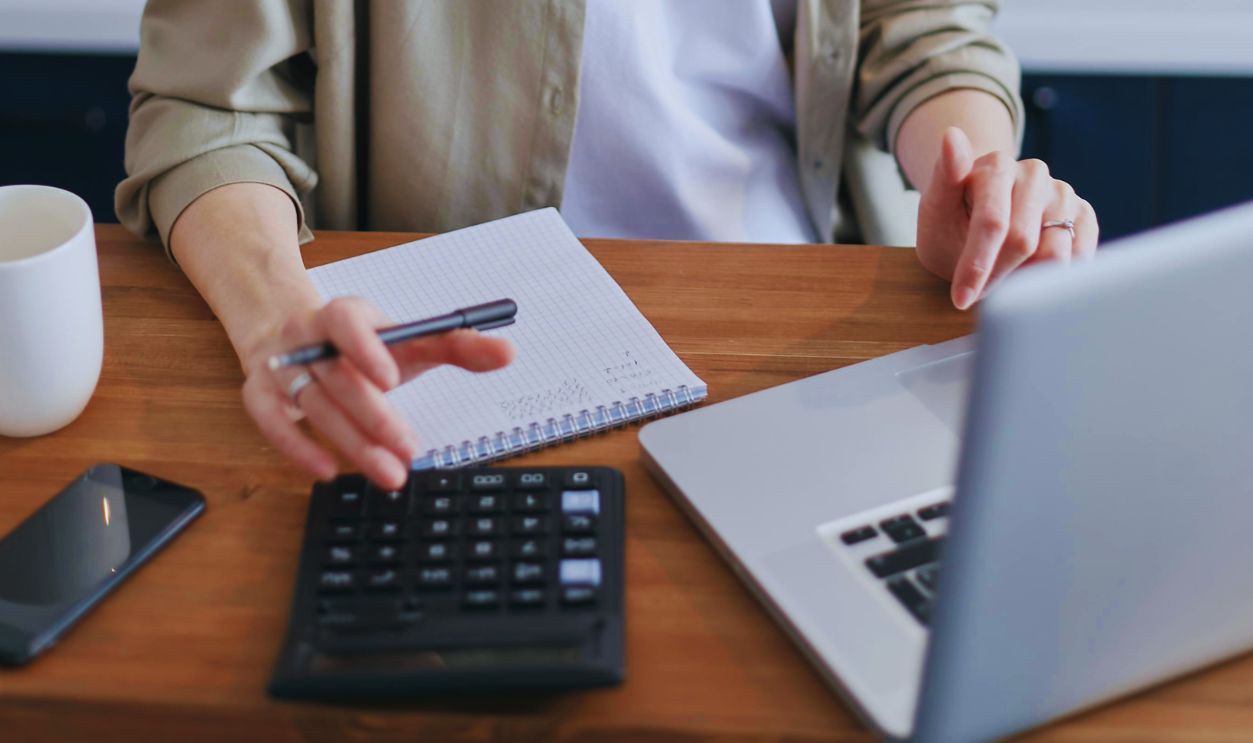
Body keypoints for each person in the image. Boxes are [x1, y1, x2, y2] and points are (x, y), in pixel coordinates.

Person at [117, 1, 1098, 489]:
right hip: (442, 375)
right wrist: (279, 319)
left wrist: (965, 176)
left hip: (799, 329)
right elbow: (207, 108)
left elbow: (923, 24)